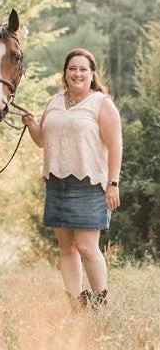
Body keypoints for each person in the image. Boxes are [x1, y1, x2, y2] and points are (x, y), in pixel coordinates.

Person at [22, 48, 122, 310]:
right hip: (56, 183)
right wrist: (32, 124)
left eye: (82, 69)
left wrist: (113, 183)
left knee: (87, 247)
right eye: (72, 69)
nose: (77, 73)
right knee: (66, 248)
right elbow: (42, 140)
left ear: (92, 75)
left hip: (89, 184)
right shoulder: (54, 101)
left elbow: (115, 146)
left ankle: (101, 302)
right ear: (65, 74)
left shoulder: (101, 103)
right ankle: (76, 303)